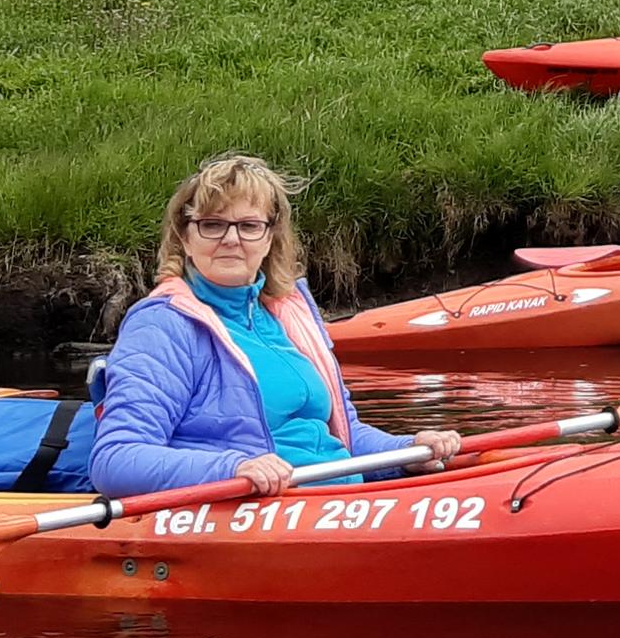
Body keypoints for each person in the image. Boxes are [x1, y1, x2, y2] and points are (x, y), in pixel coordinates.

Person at [94, 154, 467, 498]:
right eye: (212, 225)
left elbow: (343, 437)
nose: (231, 239)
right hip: (254, 512)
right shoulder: (161, 324)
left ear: (270, 238)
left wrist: (406, 451)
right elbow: (116, 460)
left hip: (340, 500)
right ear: (185, 237)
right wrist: (234, 469)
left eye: (249, 226)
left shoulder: (291, 311)